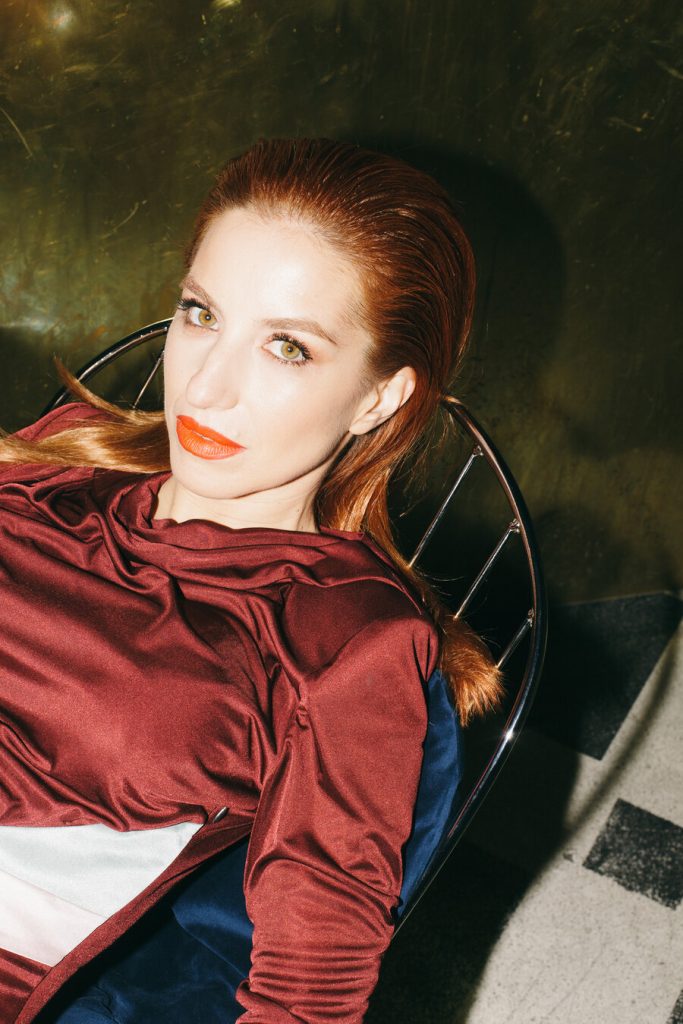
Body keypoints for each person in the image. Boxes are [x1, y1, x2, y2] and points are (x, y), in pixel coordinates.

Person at [0, 138, 501, 1024]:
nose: (205, 387)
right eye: (201, 313)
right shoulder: (63, 456)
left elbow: (309, 984)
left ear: (379, 398)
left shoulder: (345, 638)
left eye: (288, 348)